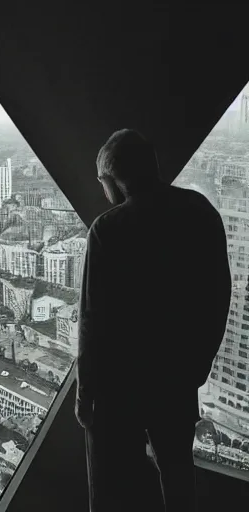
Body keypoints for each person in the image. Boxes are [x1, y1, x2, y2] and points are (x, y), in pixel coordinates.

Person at [75, 129, 232, 512]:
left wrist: (85, 393)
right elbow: (218, 295)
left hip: (120, 387)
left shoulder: (108, 230)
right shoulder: (200, 211)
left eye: (102, 182)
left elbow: (93, 321)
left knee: (114, 486)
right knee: (177, 474)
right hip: (176, 379)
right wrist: (198, 366)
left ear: (113, 179)